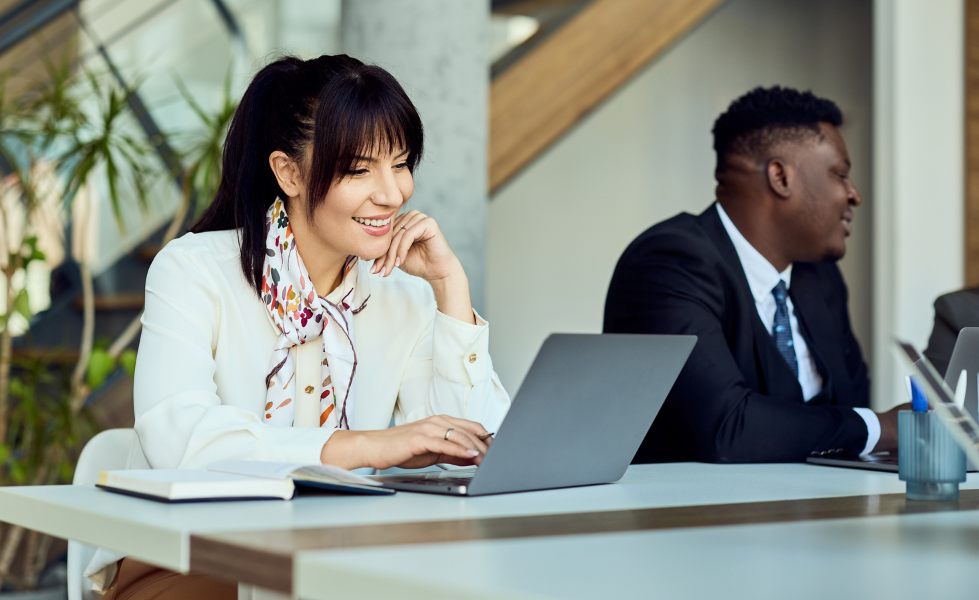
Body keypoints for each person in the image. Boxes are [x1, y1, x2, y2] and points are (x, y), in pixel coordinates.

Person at [94, 54, 510, 599]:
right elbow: (184, 439)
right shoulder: (194, 269)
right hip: (189, 557)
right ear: (288, 172)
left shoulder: (403, 296)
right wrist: (366, 446)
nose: (392, 193)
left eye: (402, 163)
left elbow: (476, 451)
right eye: (360, 170)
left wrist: (451, 289)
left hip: (336, 558)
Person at [604, 86, 906, 464]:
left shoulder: (820, 277)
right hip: (695, 516)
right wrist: (883, 428)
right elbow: (727, 428)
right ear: (781, 177)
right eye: (840, 174)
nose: (854, 194)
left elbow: (848, 410)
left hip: (823, 509)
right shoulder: (670, 263)